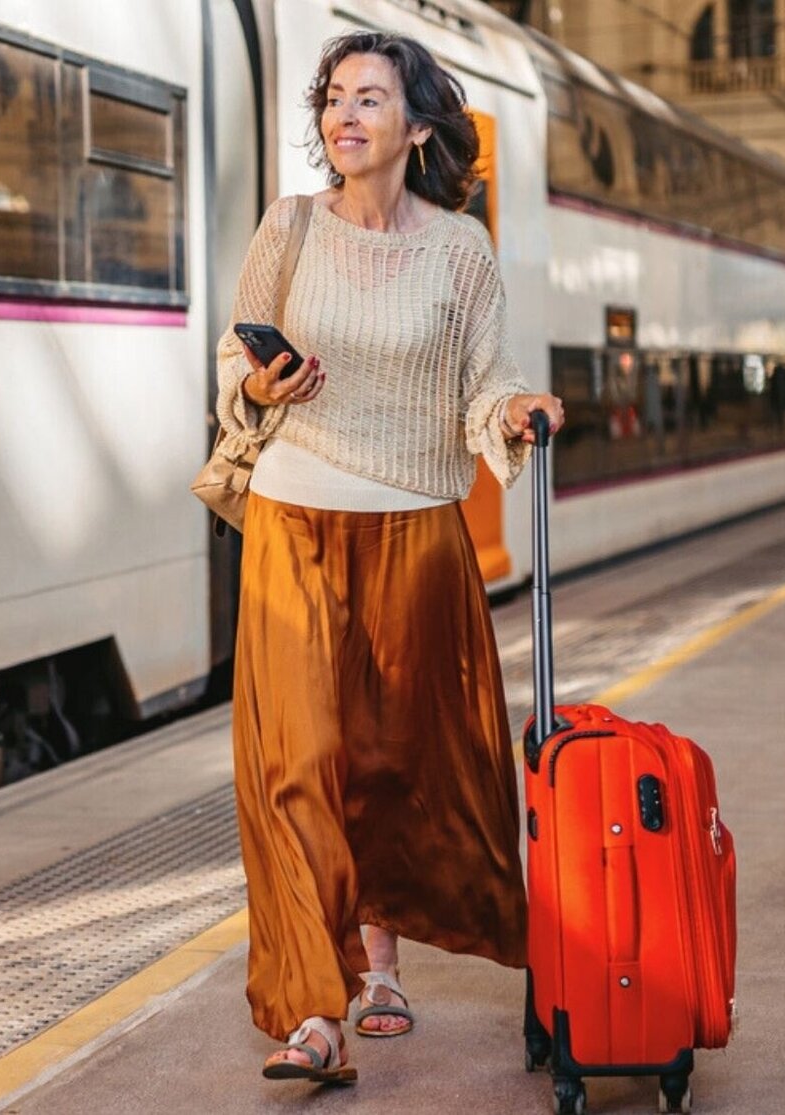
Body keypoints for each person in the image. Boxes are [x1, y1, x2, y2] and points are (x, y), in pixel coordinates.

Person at [213, 30, 565, 1084]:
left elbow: (481, 386)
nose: (343, 113)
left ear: (416, 127)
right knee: (294, 764)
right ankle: (309, 1008)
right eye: (332, 97)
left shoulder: (459, 248)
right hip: (292, 518)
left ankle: (382, 964)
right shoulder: (288, 227)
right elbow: (236, 356)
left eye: (370, 97)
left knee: (398, 761)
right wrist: (259, 386)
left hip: (412, 527)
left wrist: (516, 408)